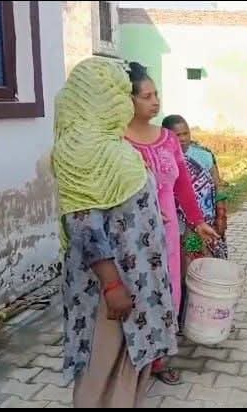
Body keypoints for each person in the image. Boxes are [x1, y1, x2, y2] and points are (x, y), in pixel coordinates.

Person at [52, 57, 179, 407]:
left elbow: (123, 204)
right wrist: (112, 285)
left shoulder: (111, 145)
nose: (125, 101)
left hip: (139, 277)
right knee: (103, 365)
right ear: (98, 96)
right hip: (110, 285)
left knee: (130, 363)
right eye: (120, 93)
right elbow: (83, 223)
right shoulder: (82, 150)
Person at [124, 62, 219, 386]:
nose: (155, 102)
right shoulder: (117, 141)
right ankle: (131, 360)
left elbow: (182, 187)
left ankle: (160, 358)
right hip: (133, 233)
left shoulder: (167, 139)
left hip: (168, 231)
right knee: (138, 292)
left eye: (156, 94)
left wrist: (197, 221)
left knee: (169, 290)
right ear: (128, 100)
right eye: (147, 96)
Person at [162, 114, 230, 332]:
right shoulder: (163, 159)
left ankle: (209, 313)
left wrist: (221, 216)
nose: (182, 139)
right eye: (177, 135)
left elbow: (218, 187)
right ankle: (183, 316)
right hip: (180, 228)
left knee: (206, 267)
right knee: (184, 270)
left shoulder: (204, 156)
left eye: (186, 133)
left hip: (206, 225)